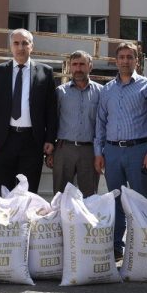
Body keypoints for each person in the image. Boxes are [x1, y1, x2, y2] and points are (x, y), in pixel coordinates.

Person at [94, 42, 147, 261]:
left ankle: (141, 246)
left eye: (129, 57)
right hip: (112, 152)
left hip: (138, 150)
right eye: (121, 57)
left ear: (136, 60)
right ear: (116, 60)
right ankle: (116, 247)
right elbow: (100, 123)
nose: (125, 61)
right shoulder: (107, 90)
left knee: (141, 201)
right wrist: (98, 152)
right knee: (116, 200)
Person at [0, 28, 56, 194]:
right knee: (3, 191)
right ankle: (6, 221)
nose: (20, 47)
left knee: (28, 193)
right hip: (4, 140)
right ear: (11, 47)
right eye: (16, 43)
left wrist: (50, 138)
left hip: (32, 141)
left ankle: (24, 221)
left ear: (32, 46)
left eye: (25, 43)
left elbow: (51, 109)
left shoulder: (45, 72)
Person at [47, 50, 102, 197]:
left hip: (89, 151)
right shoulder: (60, 92)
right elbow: (52, 121)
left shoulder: (101, 92)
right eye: (75, 65)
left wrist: (101, 152)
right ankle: (61, 221)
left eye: (82, 64)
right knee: (60, 196)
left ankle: (87, 221)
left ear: (90, 66)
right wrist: (51, 151)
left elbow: (104, 124)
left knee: (90, 197)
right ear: (70, 67)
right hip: (64, 149)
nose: (78, 69)